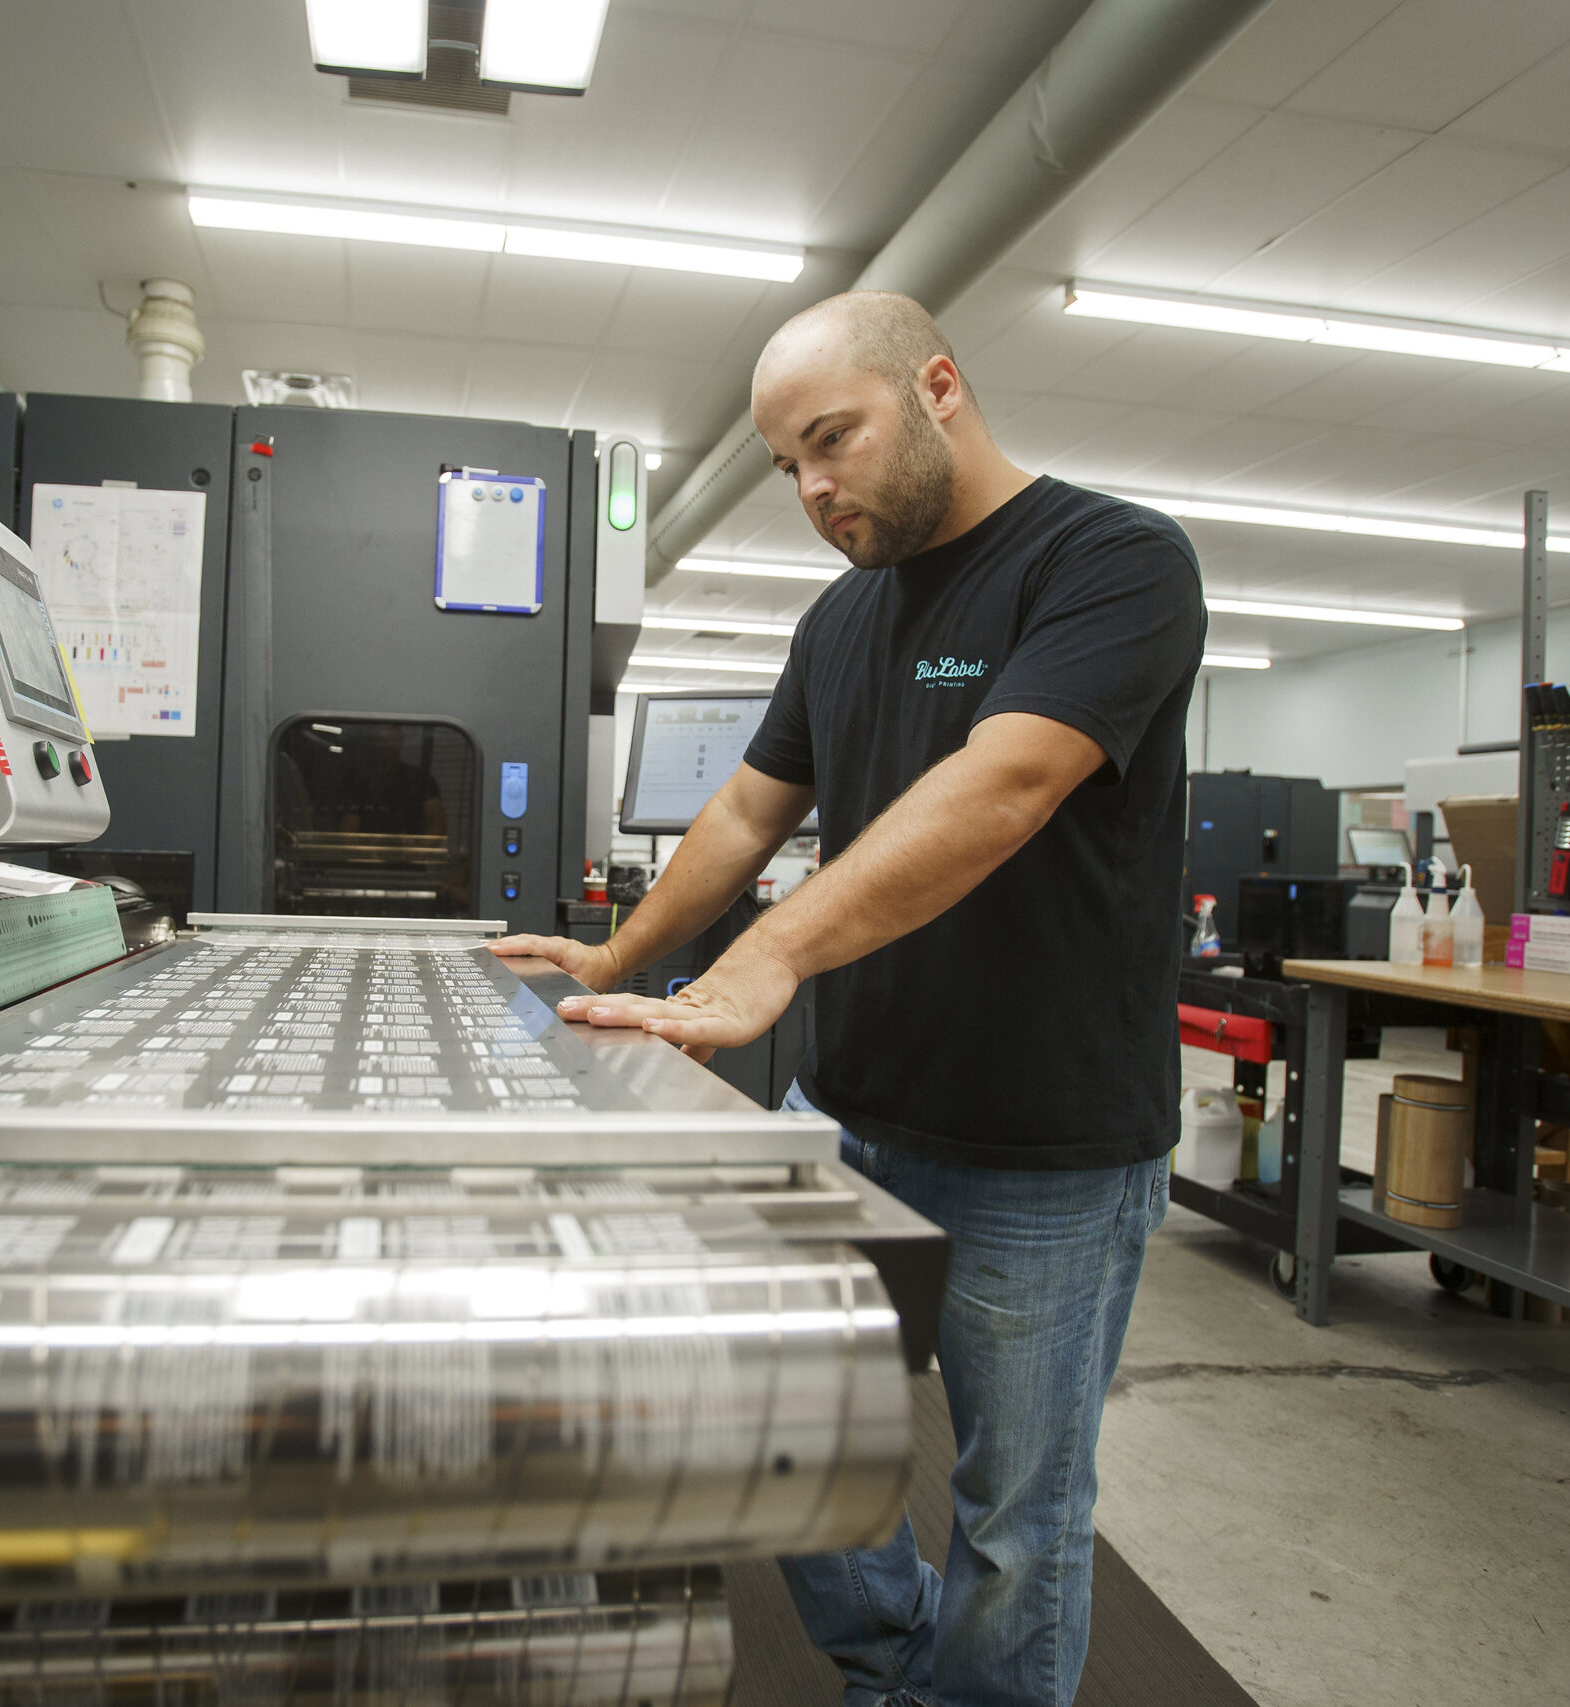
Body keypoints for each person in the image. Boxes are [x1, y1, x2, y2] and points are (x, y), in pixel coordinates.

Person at [492, 291, 1204, 1707]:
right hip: (851, 1111)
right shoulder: (842, 618)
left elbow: (1005, 785)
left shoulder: (1109, 560)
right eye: (787, 465)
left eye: (835, 440)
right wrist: (620, 958)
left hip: (1047, 1149)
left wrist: (773, 958)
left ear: (937, 388)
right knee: (786, 1426)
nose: (814, 489)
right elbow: (747, 816)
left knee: (1016, 1517)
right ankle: (891, 1667)